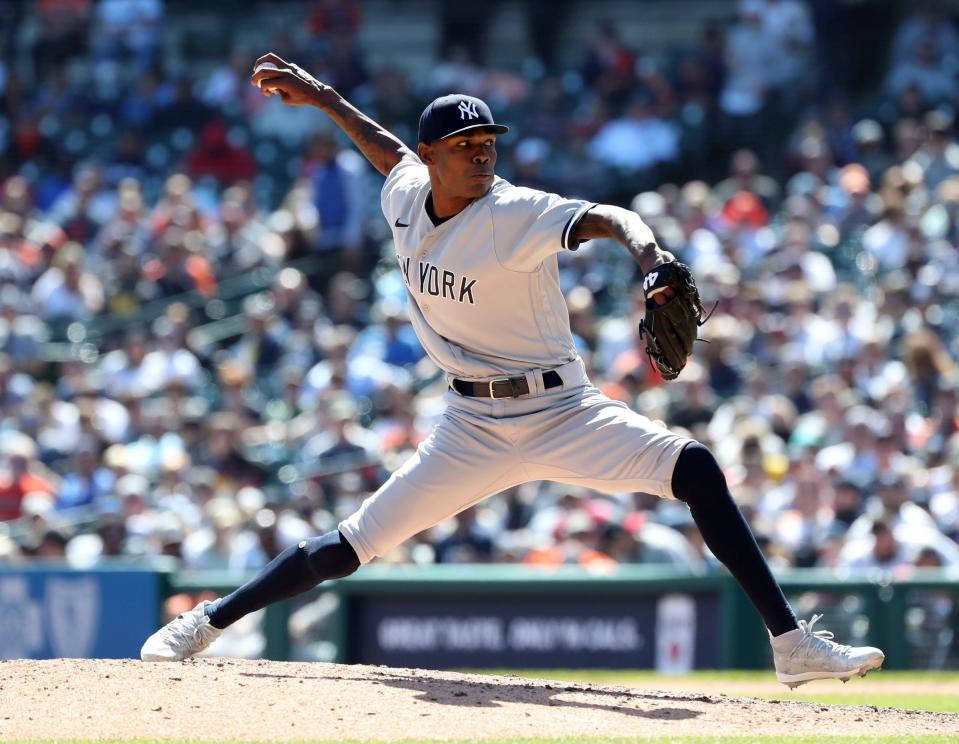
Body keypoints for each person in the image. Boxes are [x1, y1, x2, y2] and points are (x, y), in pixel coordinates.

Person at [140, 52, 885, 688]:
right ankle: (204, 622)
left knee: (694, 470)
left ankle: (790, 646)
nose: (481, 151)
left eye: (486, 139)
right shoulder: (406, 189)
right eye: (463, 143)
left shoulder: (515, 211)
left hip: (563, 410)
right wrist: (324, 97)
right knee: (349, 545)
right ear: (433, 157)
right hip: (470, 423)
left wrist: (650, 255)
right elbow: (383, 147)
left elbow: (603, 216)